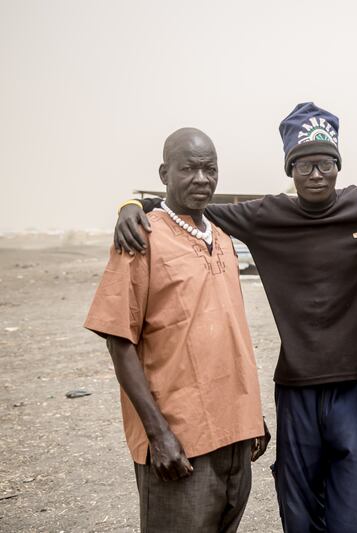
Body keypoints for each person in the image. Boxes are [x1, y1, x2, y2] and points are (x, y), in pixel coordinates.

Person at [112, 103, 357, 532]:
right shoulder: (265, 216)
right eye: (303, 164)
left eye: (325, 163)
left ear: (338, 165)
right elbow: (183, 205)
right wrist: (130, 203)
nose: (315, 173)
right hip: (295, 390)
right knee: (299, 518)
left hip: (355, 386)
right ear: (289, 170)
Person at [85, 128, 269, 532]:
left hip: (235, 435)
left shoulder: (221, 238)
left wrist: (252, 415)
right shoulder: (140, 236)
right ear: (164, 172)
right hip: (179, 442)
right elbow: (119, 340)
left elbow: (229, 333)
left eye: (210, 169)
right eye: (189, 169)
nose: (202, 179)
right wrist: (159, 435)